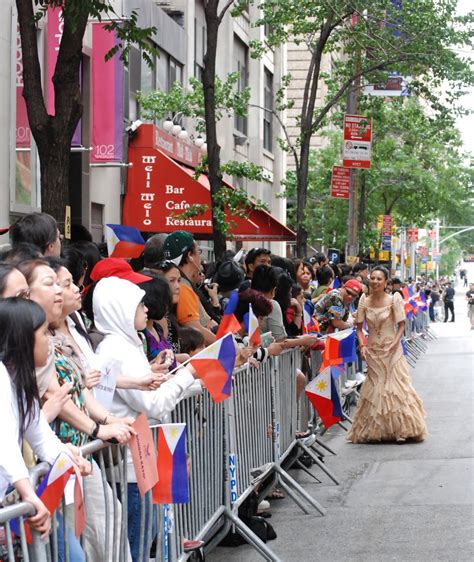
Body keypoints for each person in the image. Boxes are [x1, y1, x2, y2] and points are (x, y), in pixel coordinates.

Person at [0, 298, 89, 539]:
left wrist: (68, 458)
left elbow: (40, 435)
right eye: (43, 333)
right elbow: (4, 443)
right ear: (23, 338)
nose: (49, 341)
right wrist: (29, 494)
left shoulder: (19, 377)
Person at [347, 266, 427, 443]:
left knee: (395, 387)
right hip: (373, 350)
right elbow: (359, 329)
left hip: (392, 349)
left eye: (379, 279)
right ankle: (376, 429)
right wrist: (363, 346)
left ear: (385, 282)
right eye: (372, 278)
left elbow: (400, 325)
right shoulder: (363, 301)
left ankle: (401, 429)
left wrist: (394, 343)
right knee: (376, 386)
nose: (375, 281)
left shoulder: (394, 300)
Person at [162, 231, 216, 344]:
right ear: (190, 256)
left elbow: (206, 319)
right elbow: (195, 329)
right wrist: (228, 346)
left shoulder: (183, 283)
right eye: (199, 252)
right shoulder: (183, 286)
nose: (200, 257)